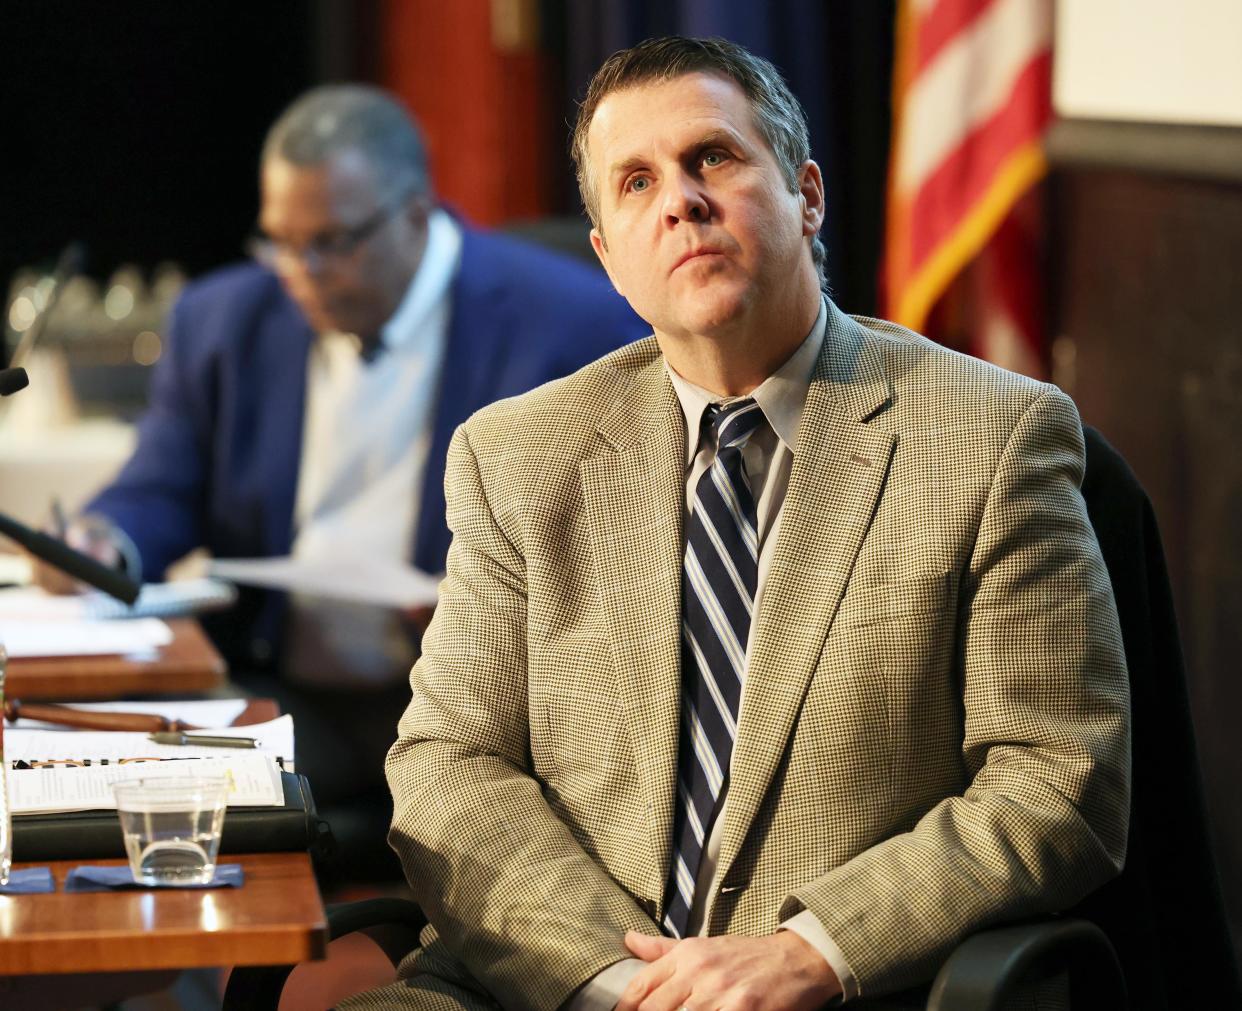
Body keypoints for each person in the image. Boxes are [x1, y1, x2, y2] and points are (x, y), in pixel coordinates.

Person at [353, 37, 1129, 1009]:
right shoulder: (515, 458)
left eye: (712, 157)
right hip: (545, 982)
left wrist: (814, 951)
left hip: (841, 988)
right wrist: (611, 982)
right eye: (636, 183)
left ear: (806, 195)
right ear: (610, 260)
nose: (680, 199)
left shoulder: (991, 438)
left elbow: (1058, 778)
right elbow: (447, 763)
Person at [35, 85, 647, 849]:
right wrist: (101, 542)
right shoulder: (225, 317)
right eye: (280, 242)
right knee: (120, 808)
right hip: (283, 689)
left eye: (332, 241)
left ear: (416, 213)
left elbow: (626, 548)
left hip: (482, 714)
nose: (301, 271)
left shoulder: (571, 323)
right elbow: (162, 483)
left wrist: (485, 609)